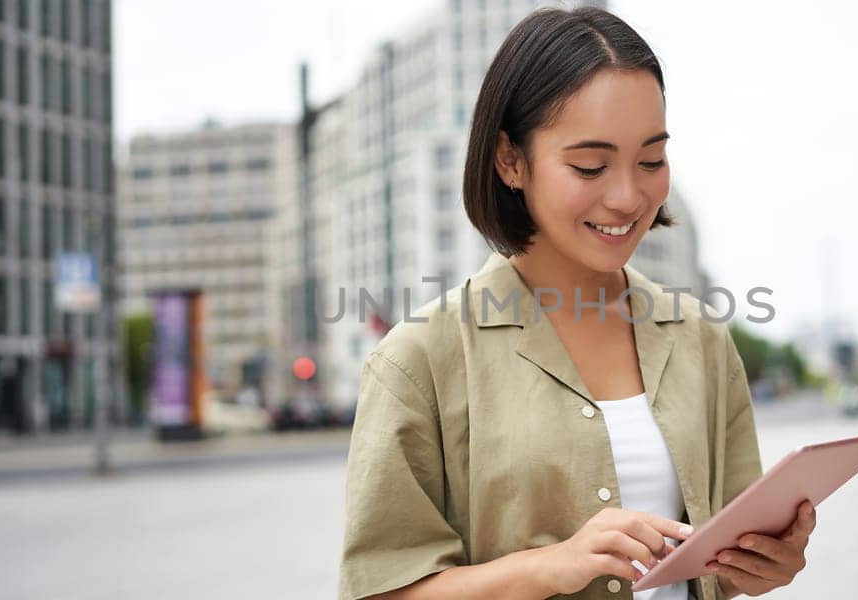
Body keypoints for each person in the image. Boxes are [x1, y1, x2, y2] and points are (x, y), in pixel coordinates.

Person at [337, 7, 815, 600]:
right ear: (510, 161)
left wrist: (767, 564)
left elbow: (727, 559)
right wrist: (550, 567)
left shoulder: (700, 339)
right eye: (590, 165)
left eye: (651, 160)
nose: (627, 196)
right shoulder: (418, 361)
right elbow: (380, 590)